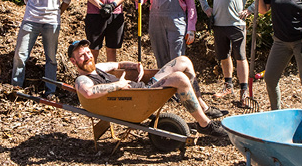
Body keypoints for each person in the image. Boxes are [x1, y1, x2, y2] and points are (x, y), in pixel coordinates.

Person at [68, 40, 227, 137]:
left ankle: (203, 107)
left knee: (183, 61)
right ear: (74, 62)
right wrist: (118, 84)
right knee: (179, 78)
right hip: (138, 97)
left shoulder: (99, 67)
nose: (88, 56)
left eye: (88, 52)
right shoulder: (82, 79)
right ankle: (204, 124)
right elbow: (88, 92)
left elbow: (118, 64)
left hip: (143, 90)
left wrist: (136, 66)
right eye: (82, 56)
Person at [198, 0, 265, 105]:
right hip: (219, 23)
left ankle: (243, 91)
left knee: (240, 56)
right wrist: (207, 9)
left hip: (237, 22)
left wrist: (250, 9)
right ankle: (228, 85)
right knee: (223, 55)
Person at [11, 0, 71, 99]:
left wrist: (56, 13)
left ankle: (50, 91)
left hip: (52, 22)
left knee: (51, 58)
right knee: (20, 54)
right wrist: (35, 9)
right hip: (30, 20)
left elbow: (66, 0)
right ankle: (16, 88)